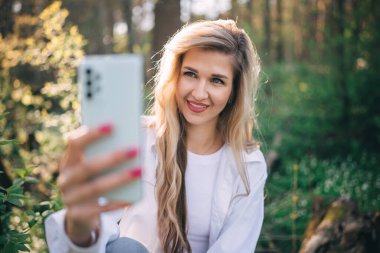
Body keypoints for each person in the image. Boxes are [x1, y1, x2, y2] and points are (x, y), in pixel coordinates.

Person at [45, 19, 267, 253]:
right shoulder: (137, 138)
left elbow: (235, 247)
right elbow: (98, 232)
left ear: (234, 91)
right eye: (190, 74)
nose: (199, 93)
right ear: (175, 76)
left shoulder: (248, 164)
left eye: (216, 80)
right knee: (125, 248)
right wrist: (80, 229)